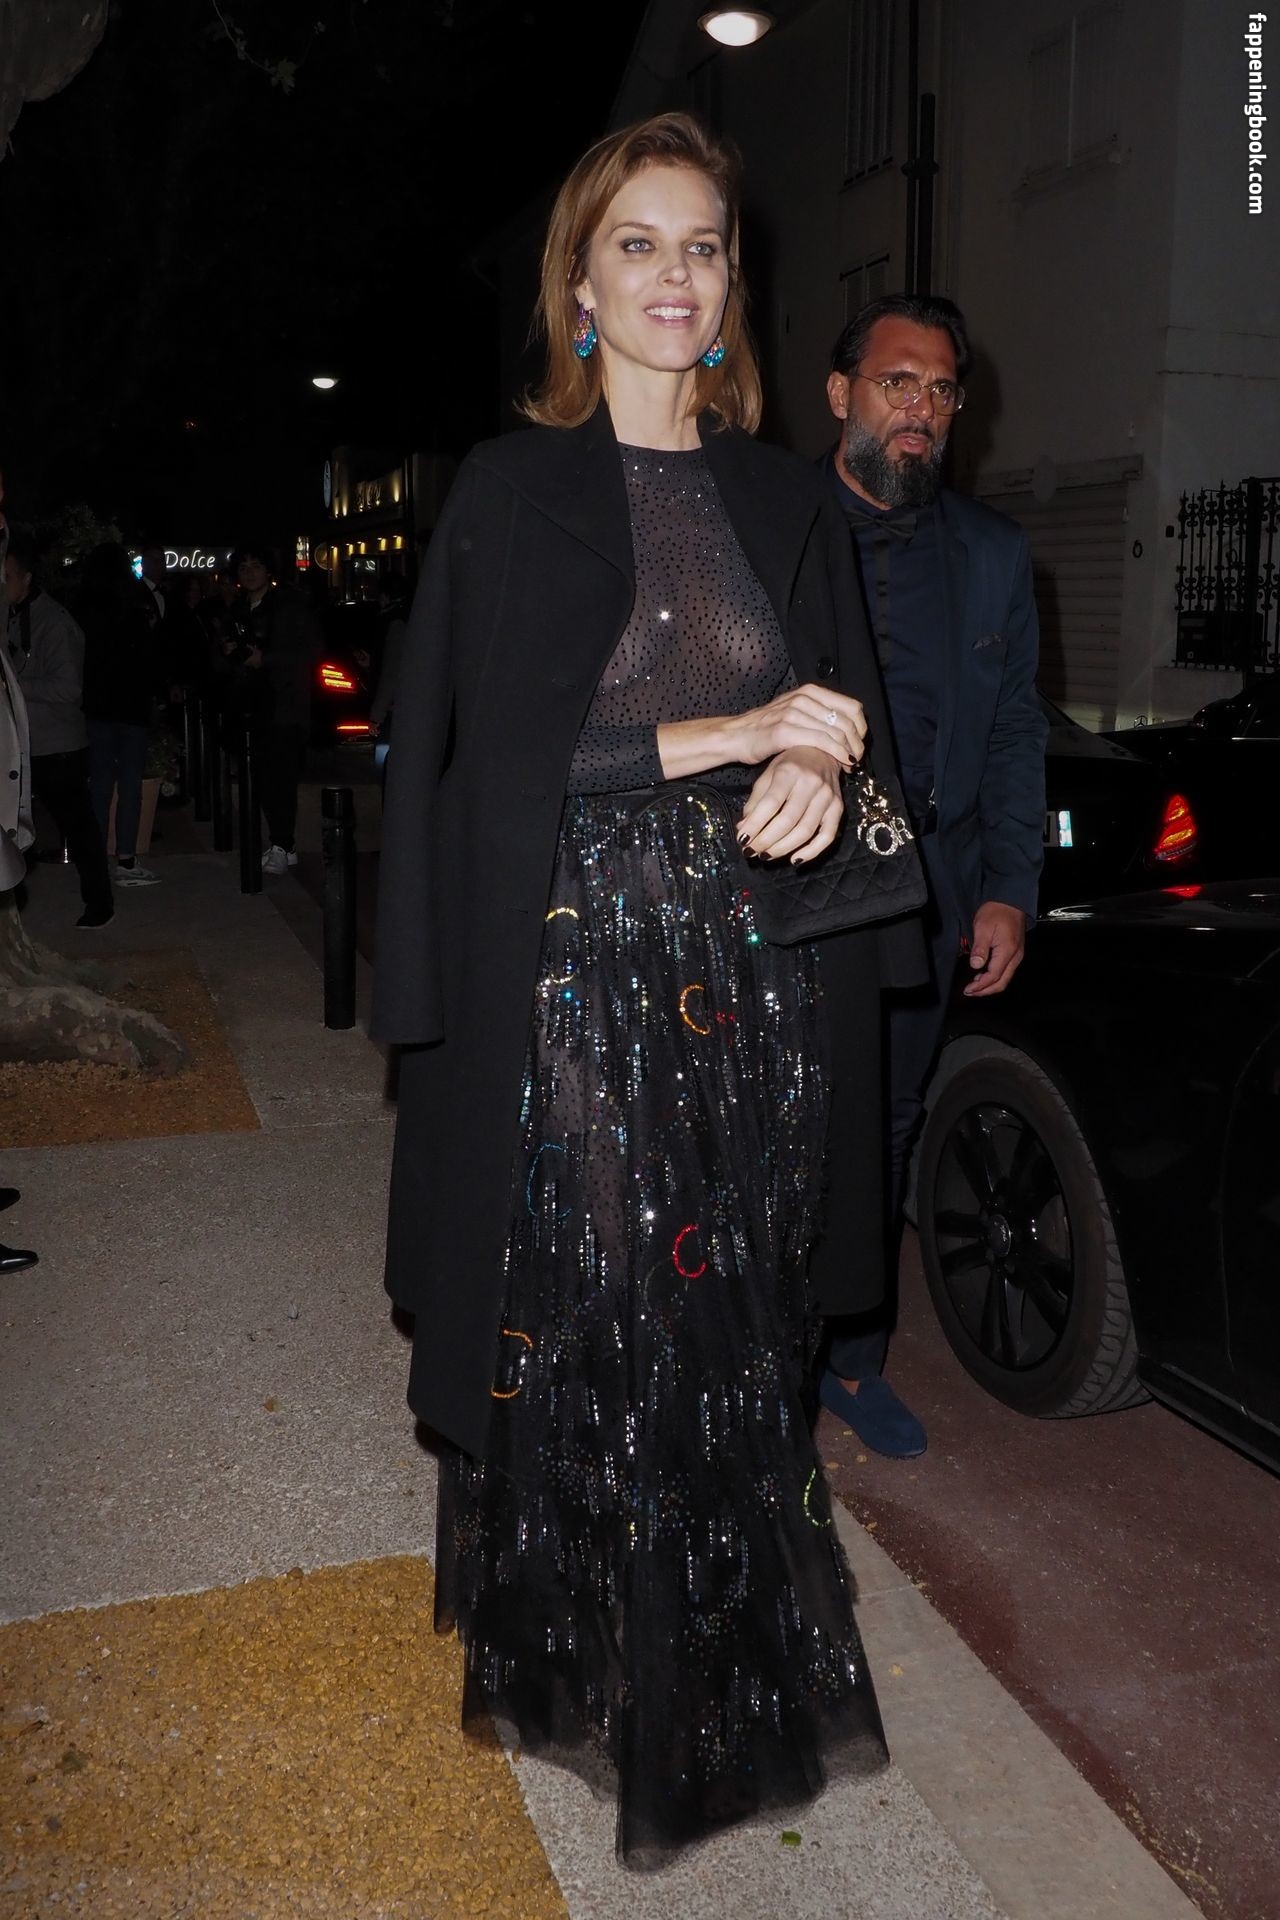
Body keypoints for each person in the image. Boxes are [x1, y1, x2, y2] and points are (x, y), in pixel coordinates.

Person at [372, 114, 926, 1867]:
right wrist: (729, 729)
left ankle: (709, 1682)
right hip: (570, 976)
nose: (675, 275)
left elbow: (844, 720)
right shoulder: (506, 491)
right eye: (639, 244)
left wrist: (816, 758)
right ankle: (595, 1667)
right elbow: (475, 769)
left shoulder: (785, 499)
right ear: (582, 286)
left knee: (732, 1332)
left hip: (755, 986)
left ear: (729, 285)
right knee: (605, 1316)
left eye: (702, 246)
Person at [817, 295, 1049, 1458]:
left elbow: (1012, 730)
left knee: (887, 1126)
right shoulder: (768, 524)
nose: (920, 407)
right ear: (839, 394)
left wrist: (1008, 886)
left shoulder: (992, 556)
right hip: (782, 889)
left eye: (941, 389)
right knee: (770, 1122)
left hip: (924, 897)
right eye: (896, 382)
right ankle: (751, 1350)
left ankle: (849, 1358)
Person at [5, 535, 114, 928]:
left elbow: (69, 688)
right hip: (22, 742)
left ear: (27, 578)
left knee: (78, 827)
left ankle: (100, 903)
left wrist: (13, 686)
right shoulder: (12, 615)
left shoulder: (54, 621)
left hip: (57, 745)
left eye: (7, 577)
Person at [224, 544, 321, 874]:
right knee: (262, 779)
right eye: (243, 567)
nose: (249, 572)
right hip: (252, 705)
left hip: (284, 705)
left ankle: (282, 843)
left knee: (280, 778)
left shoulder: (288, 605)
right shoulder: (239, 607)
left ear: (268, 570)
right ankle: (283, 844)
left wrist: (264, 659)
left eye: (255, 566)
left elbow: (309, 652)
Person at [78, 544, 164, 887]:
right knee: (130, 784)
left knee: (99, 785)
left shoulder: (84, 608)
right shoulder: (136, 606)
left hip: (97, 706)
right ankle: (126, 859)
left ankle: (97, 860)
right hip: (131, 706)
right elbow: (150, 658)